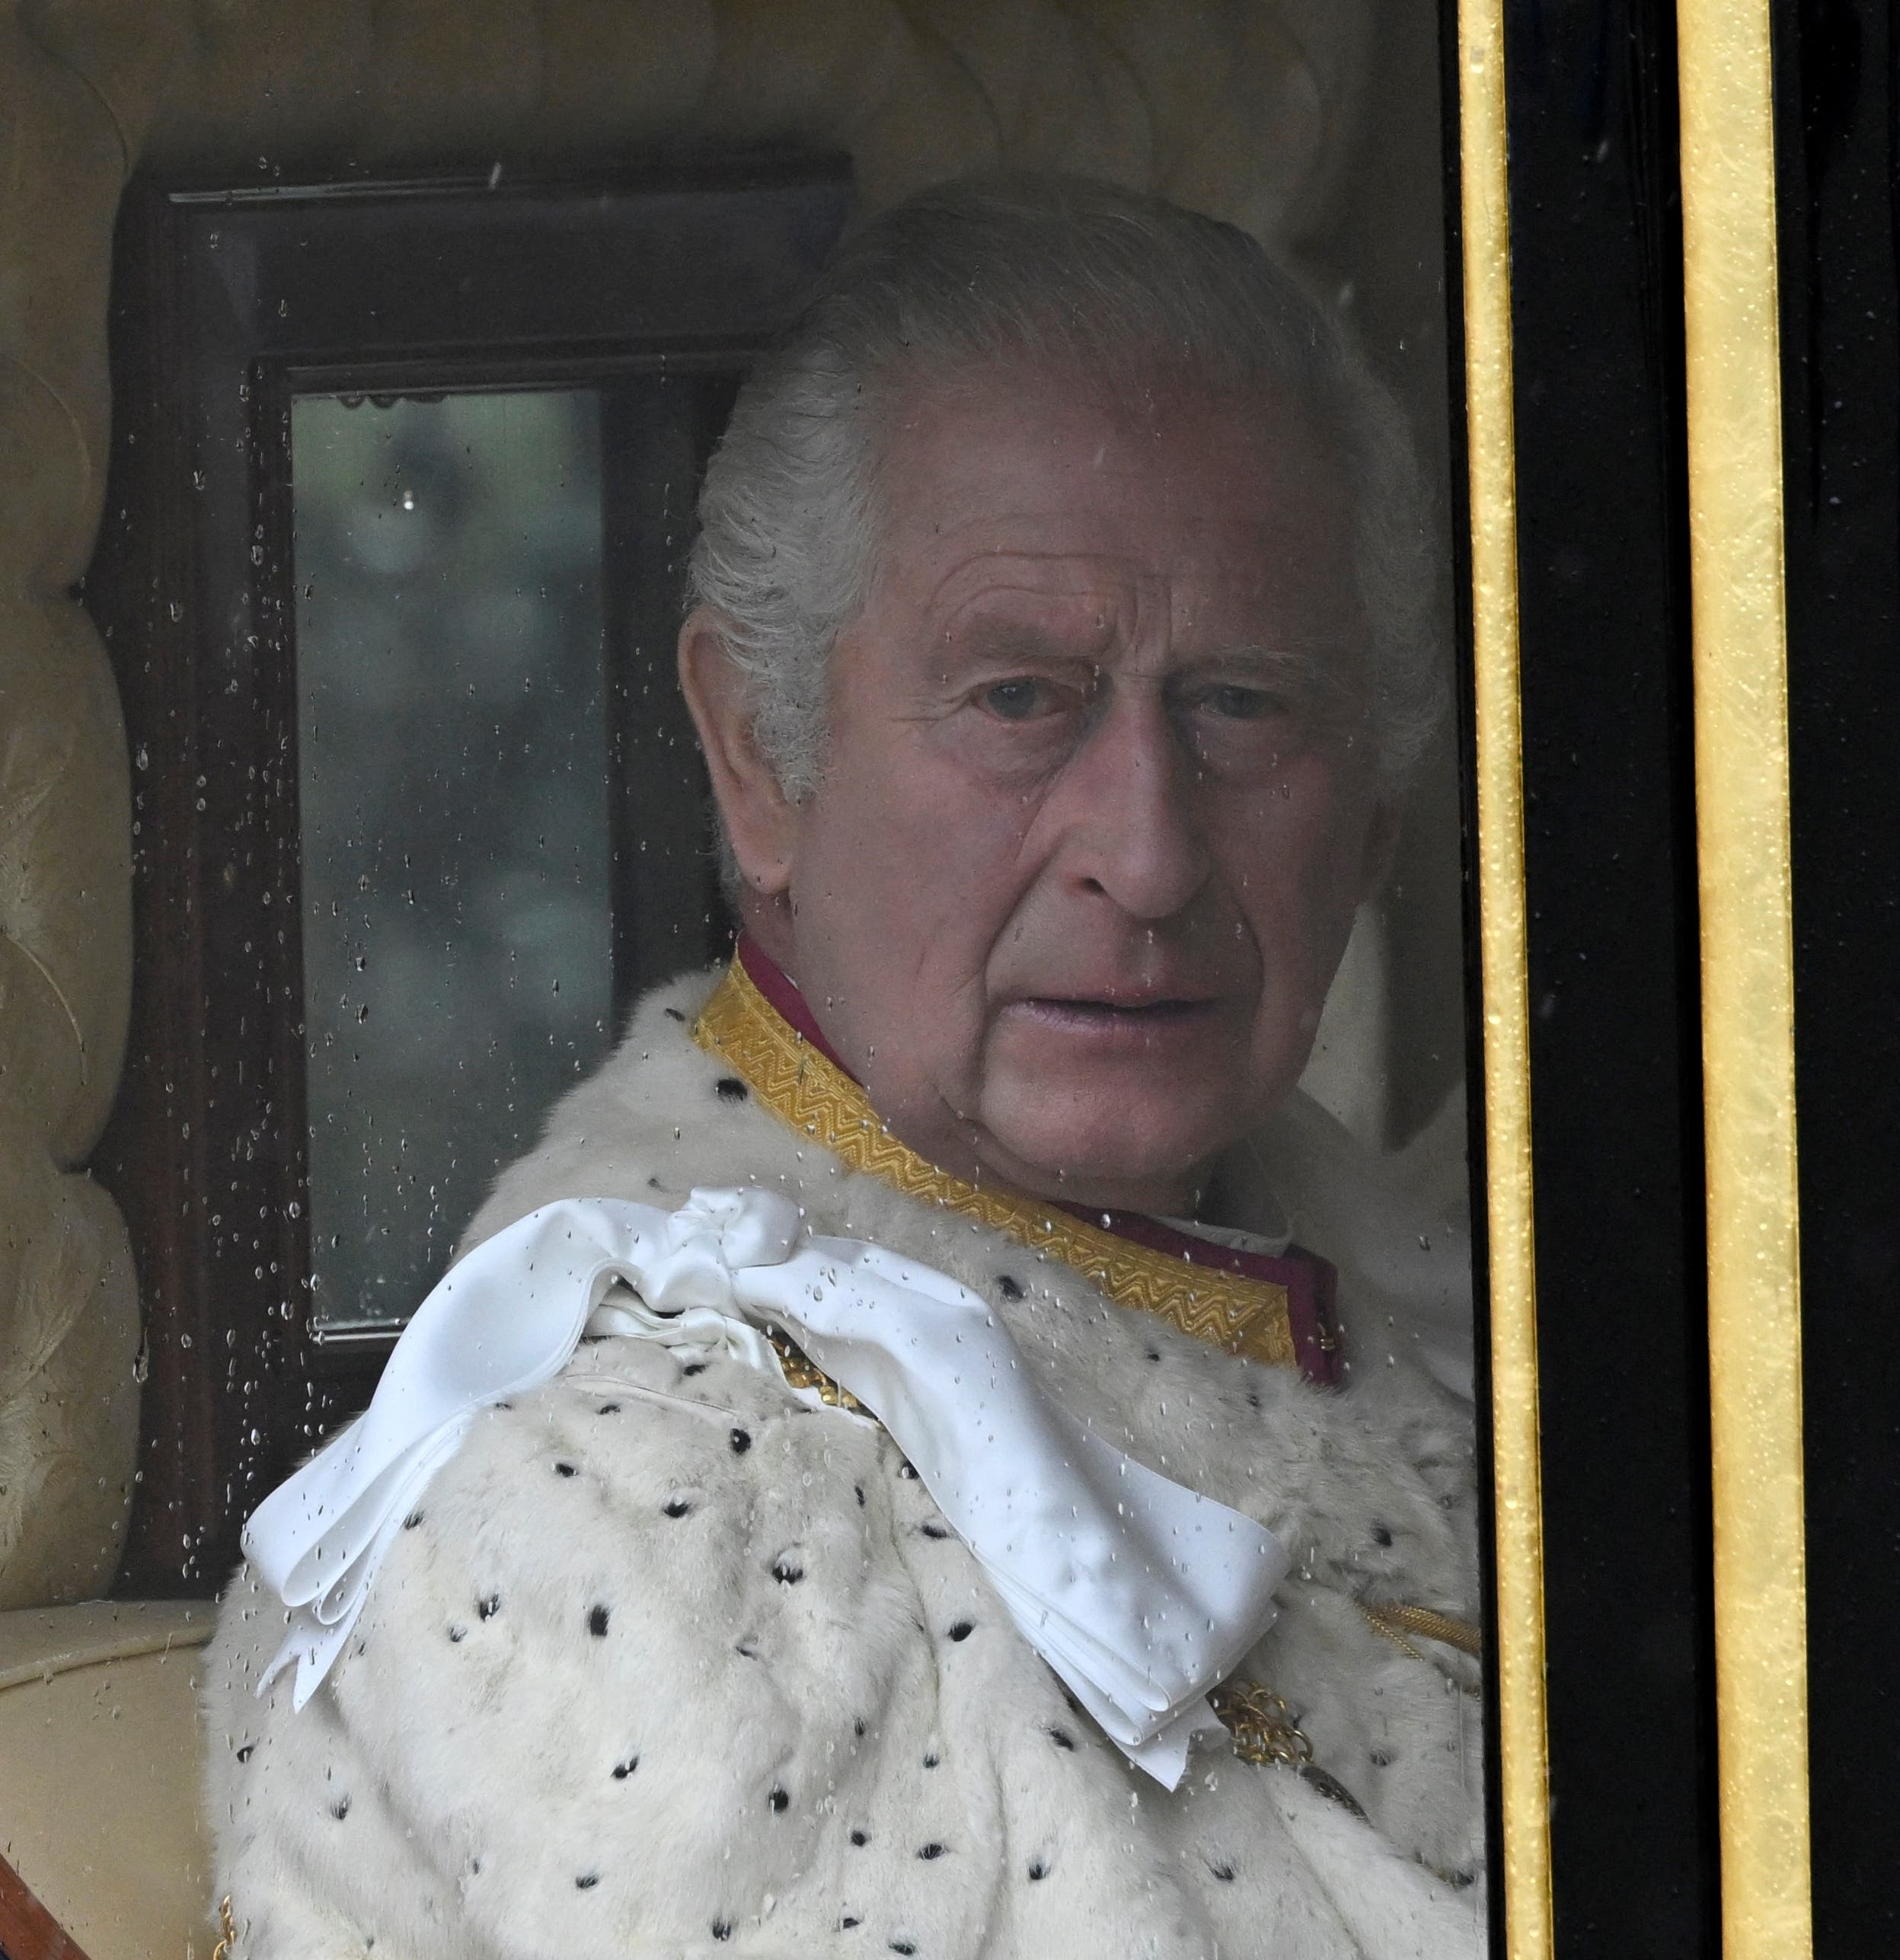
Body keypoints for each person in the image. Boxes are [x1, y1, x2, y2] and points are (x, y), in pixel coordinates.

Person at [206, 175, 1486, 1958]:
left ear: (1376, 813)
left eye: (1242, 704)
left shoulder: (1512, 1318)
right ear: (756, 753)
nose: (1151, 850)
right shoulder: (636, 1525)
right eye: (1020, 697)